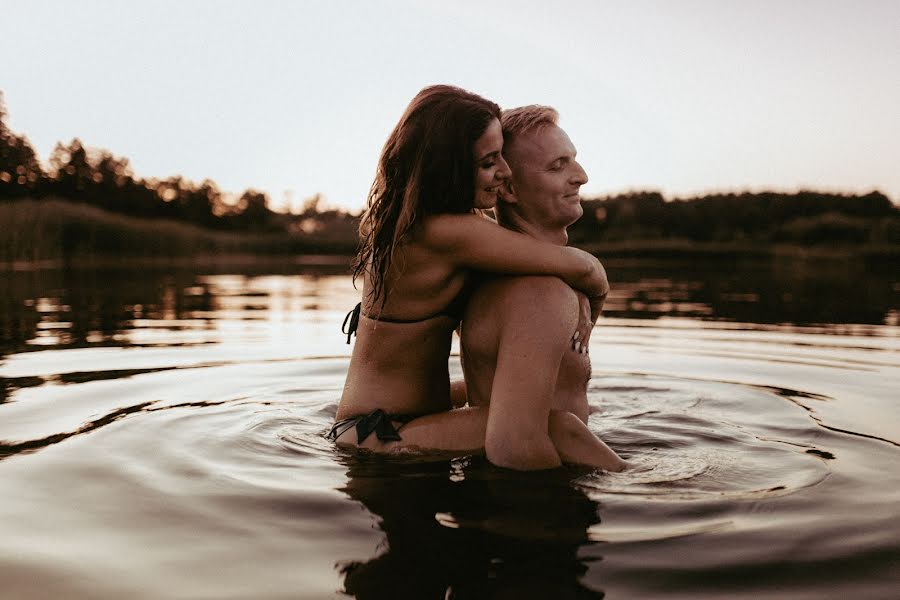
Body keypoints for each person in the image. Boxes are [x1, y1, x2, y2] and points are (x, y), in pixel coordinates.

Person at [329, 85, 609, 452]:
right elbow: (583, 267)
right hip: (379, 432)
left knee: (531, 404)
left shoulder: (407, 224)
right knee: (554, 429)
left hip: (387, 417)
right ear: (450, 166)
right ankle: (652, 498)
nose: (505, 172)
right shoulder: (448, 232)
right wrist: (591, 309)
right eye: (489, 162)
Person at [460, 105, 626, 472]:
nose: (581, 176)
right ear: (510, 189)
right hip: (532, 507)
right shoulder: (538, 293)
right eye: (557, 166)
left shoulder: (547, 282)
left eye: (574, 161)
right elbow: (515, 448)